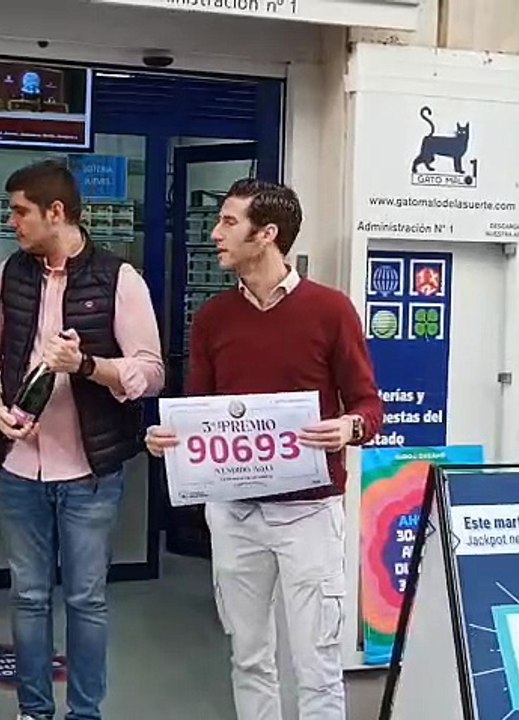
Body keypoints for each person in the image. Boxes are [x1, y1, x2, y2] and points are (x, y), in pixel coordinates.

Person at [144, 179, 384, 720]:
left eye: (229, 222)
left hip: (309, 513)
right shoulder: (213, 317)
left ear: (267, 233)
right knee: (249, 656)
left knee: (317, 662)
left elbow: (369, 405)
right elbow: (198, 409)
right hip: (234, 515)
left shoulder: (331, 310)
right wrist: (169, 439)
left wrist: (348, 428)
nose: (215, 234)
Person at [0, 160, 165, 720]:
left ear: (56, 212)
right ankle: (34, 711)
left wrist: (88, 365)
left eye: (19, 211)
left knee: (86, 599)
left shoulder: (119, 279)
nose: (11, 222)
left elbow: (151, 373)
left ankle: (84, 713)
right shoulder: (9, 274)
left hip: (89, 471)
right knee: (28, 597)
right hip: (18, 466)